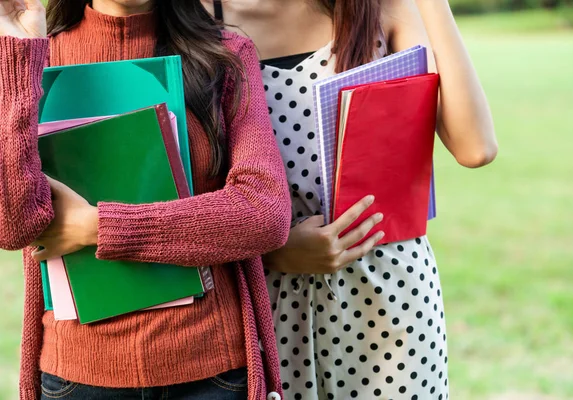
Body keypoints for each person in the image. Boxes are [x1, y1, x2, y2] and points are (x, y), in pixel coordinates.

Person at [202, 0, 498, 399]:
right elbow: (186, 192)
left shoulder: (382, 8)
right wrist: (273, 250)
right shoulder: (197, 18)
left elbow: (475, 146)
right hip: (263, 306)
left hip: (390, 301)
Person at [0, 0, 292, 399]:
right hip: (80, 377)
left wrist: (96, 226)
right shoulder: (32, 58)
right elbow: (12, 224)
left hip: (210, 372)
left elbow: (264, 212)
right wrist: (19, 51)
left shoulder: (224, 55)